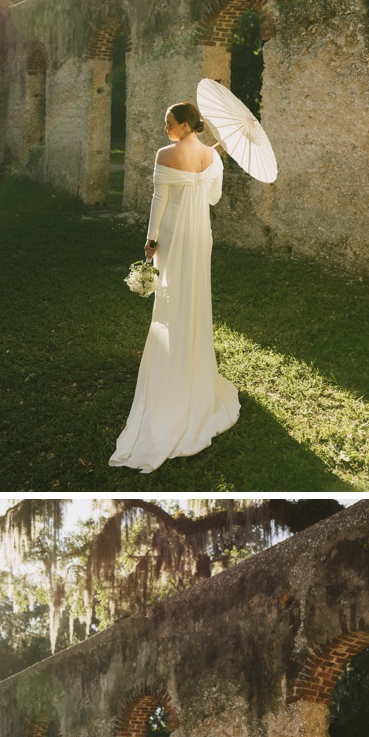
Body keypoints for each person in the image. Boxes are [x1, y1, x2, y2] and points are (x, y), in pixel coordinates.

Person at [110, 100, 240, 472]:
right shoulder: (211, 157)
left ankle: (173, 365)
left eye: (169, 122)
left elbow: (160, 199)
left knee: (170, 299)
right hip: (200, 236)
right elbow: (211, 197)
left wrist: (150, 241)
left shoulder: (166, 155)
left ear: (185, 125)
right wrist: (208, 165)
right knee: (192, 297)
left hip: (174, 237)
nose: (164, 127)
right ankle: (192, 360)